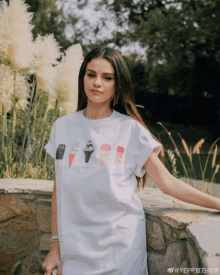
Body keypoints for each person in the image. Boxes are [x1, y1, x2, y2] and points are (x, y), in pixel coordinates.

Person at [42, 47, 220, 275]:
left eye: (107, 78)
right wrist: (54, 246)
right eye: (91, 74)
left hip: (120, 251)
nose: (97, 83)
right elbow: (60, 190)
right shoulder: (62, 127)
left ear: (118, 84)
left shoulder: (130, 130)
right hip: (73, 252)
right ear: (82, 78)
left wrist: (217, 203)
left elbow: (167, 183)